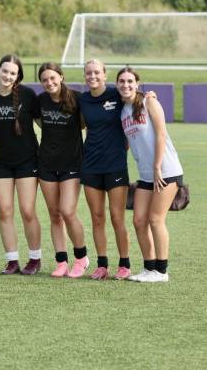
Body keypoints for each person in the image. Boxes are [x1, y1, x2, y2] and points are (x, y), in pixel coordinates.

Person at [116, 67, 183, 283]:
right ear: (117, 85)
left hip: (165, 171)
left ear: (137, 83)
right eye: (122, 81)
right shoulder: (123, 110)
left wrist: (156, 167)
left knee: (155, 219)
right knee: (138, 220)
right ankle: (149, 268)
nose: (126, 85)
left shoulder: (149, 102)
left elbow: (161, 133)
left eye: (130, 81)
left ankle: (161, 272)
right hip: (145, 175)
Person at [0, 54, 42, 275]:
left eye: (13, 73)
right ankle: (12, 260)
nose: (8, 76)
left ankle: (35, 258)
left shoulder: (28, 94)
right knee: (5, 211)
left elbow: (41, 122)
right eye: (5, 71)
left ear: (18, 76)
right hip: (0, 161)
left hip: (27, 160)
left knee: (27, 211)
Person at [78, 59, 131, 280]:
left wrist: (151, 95)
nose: (92, 76)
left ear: (105, 75)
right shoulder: (82, 100)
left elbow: (135, 97)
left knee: (117, 217)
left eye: (97, 72)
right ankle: (102, 265)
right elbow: (79, 124)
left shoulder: (116, 95)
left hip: (115, 166)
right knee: (97, 217)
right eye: (88, 73)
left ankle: (124, 264)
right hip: (90, 166)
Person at [36, 63, 89, 278]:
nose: (49, 83)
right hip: (46, 164)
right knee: (55, 215)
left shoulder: (77, 98)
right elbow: (39, 123)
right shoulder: (40, 101)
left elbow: (85, 124)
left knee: (68, 211)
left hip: (72, 164)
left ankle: (81, 258)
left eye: (52, 78)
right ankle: (61, 262)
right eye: (44, 80)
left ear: (61, 77)